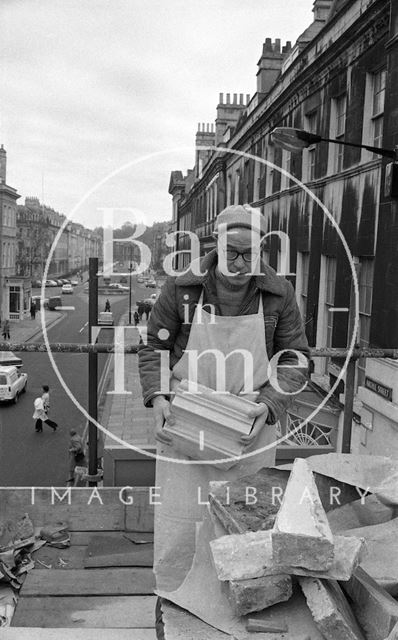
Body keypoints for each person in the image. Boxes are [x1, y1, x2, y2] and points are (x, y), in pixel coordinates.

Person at [138, 203, 310, 590]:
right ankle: (176, 600)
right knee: (183, 527)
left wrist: (269, 406)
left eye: (250, 253)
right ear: (217, 245)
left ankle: (239, 604)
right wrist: (159, 398)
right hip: (188, 425)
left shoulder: (278, 294)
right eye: (232, 252)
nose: (240, 261)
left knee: (244, 528)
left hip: (249, 425)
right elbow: (154, 347)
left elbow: (296, 358)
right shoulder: (182, 287)